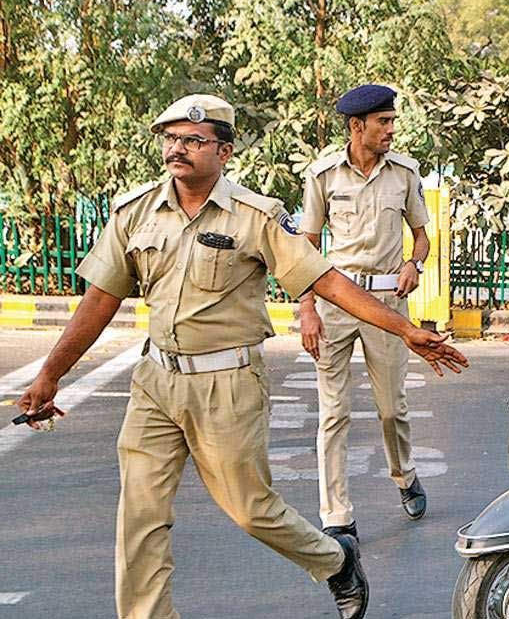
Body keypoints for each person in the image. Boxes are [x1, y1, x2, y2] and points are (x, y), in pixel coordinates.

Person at [15, 94, 468, 619]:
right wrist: (50, 376)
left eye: (193, 140)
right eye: (171, 139)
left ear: (224, 151)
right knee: (139, 519)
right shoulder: (135, 212)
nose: (177, 149)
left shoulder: (256, 216)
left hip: (228, 384)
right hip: (155, 382)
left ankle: (333, 559)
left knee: (252, 511)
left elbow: (325, 279)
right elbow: (100, 299)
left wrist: (404, 328)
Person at [299, 84, 432, 533]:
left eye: (392, 121)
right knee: (333, 413)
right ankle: (336, 516)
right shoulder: (322, 177)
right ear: (358, 127)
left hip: (388, 302)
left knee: (391, 406)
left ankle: (405, 475)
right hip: (336, 301)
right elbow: (308, 248)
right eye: (384, 122)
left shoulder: (405, 174)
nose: (392, 129)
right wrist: (307, 308)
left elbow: (421, 234)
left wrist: (414, 263)